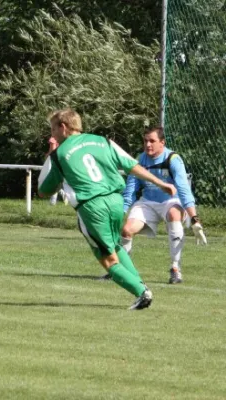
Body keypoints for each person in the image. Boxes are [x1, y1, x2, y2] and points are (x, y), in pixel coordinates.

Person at [38, 109, 176, 310]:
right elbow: (131, 165)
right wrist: (160, 183)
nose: (52, 135)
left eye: (53, 129)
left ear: (63, 127)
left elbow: (44, 190)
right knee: (116, 246)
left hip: (92, 207)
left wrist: (53, 163)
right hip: (115, 201)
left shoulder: (59, 154)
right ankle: (140, 286)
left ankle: (141, 293)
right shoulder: (103, 141)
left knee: (108, 260)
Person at [120, 126, 207, 284]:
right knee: (126, 230)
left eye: (152, 141)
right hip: (147, 202)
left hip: (171, 201)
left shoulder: (173, 159)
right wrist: (121, 212)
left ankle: (175, 269)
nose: (148, 145)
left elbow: (183, 189)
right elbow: (131, 190)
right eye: (145, 141)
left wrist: (194, 218)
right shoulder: (139, 160)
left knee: (174, 214)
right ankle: (122, 270)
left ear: (162, 142)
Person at [47, 137, 68, 206]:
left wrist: (46, 157)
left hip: (55, 162)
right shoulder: (66, 138)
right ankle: (63, 194)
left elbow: (52, 151)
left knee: (54, 181)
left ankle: (53, 201)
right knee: (59, 181)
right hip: (63, 161)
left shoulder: (53, 139)